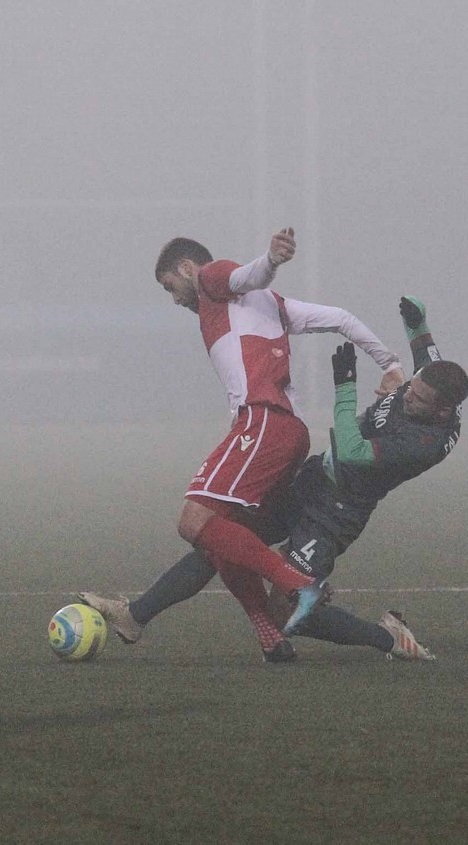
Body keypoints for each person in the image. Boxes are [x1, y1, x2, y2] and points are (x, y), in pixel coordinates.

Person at [79, 295, 468, 662]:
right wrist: (414, 317)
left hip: (334, 516)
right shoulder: (429, 381)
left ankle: (390, 639)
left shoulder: (425, 444)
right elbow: (423, 343)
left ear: (441, 411)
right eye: (411, 388)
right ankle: (135, 616)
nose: (406, 396)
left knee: (289, 615)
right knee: (220, 539)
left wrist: (346, 386)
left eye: (416, 399)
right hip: (310, 481)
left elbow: (352, 451)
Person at [141, 231, 406, 660]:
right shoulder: (273, 307)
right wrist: (390, 364)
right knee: (224, 534)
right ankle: (269, 633)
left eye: (170, 286)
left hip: (264, 420)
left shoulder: (210, 278)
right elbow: (340, 316)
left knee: (194, 520)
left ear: (187, 269)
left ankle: (300, 585)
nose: (174, 300)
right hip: (285, 430)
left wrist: (270, 259)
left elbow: (246, 274)